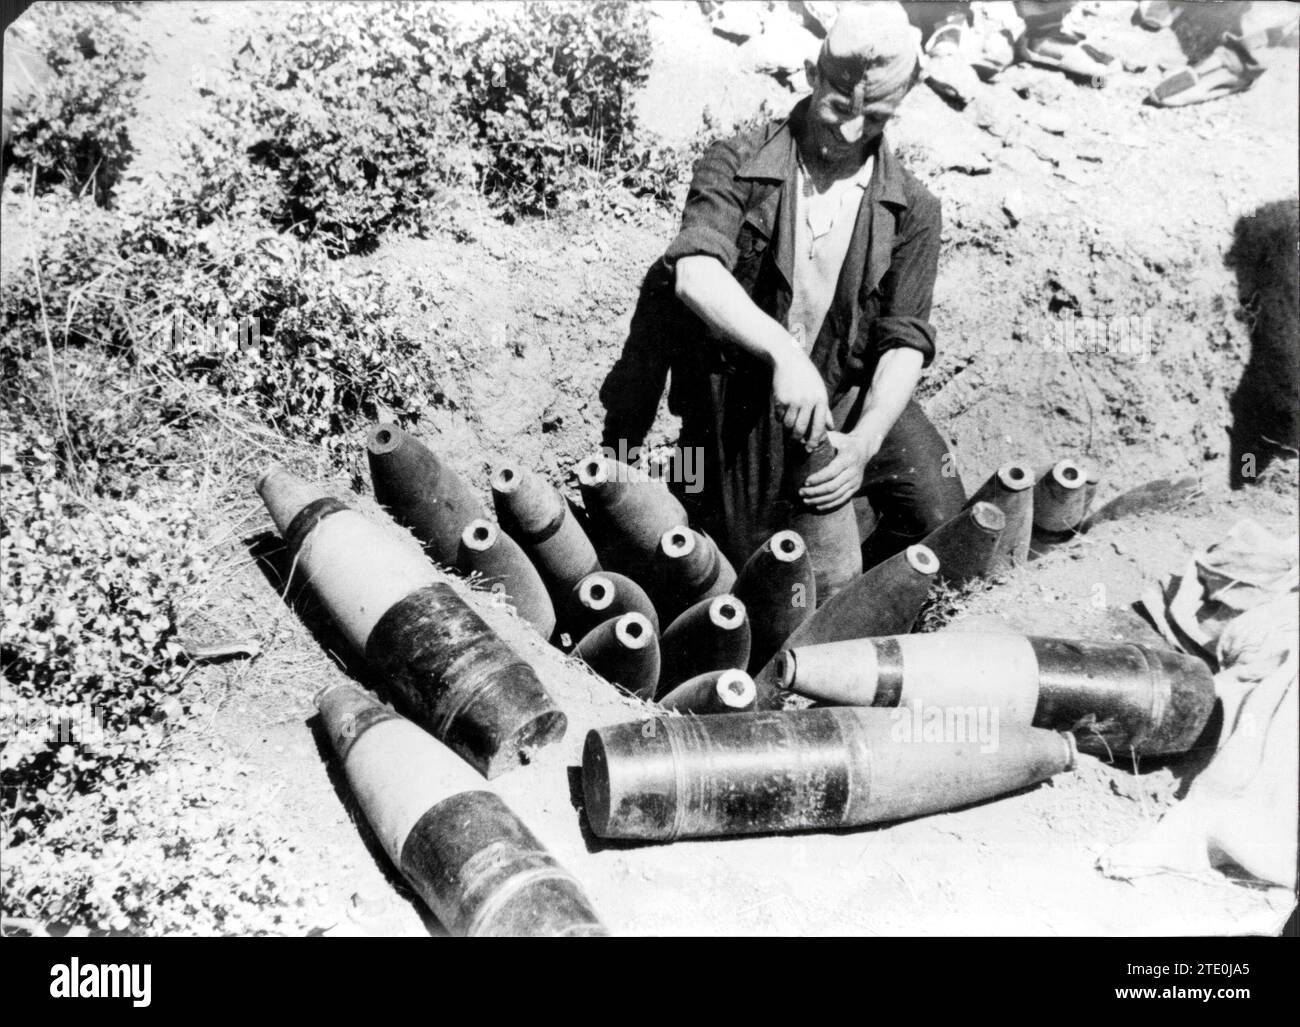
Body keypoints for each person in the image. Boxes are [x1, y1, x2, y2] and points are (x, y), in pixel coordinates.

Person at [653, 1, 966, 571]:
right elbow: (695, 277)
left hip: (847, 399)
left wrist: (867, 440)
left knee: (946, 525)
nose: (850, 131)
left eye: (874, 118)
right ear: (811, 73)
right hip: (746, 400)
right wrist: (783, 355)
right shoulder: (737, 163)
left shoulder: (914, 209)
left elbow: (903, 341)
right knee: (765, 562)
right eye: (838, 107)